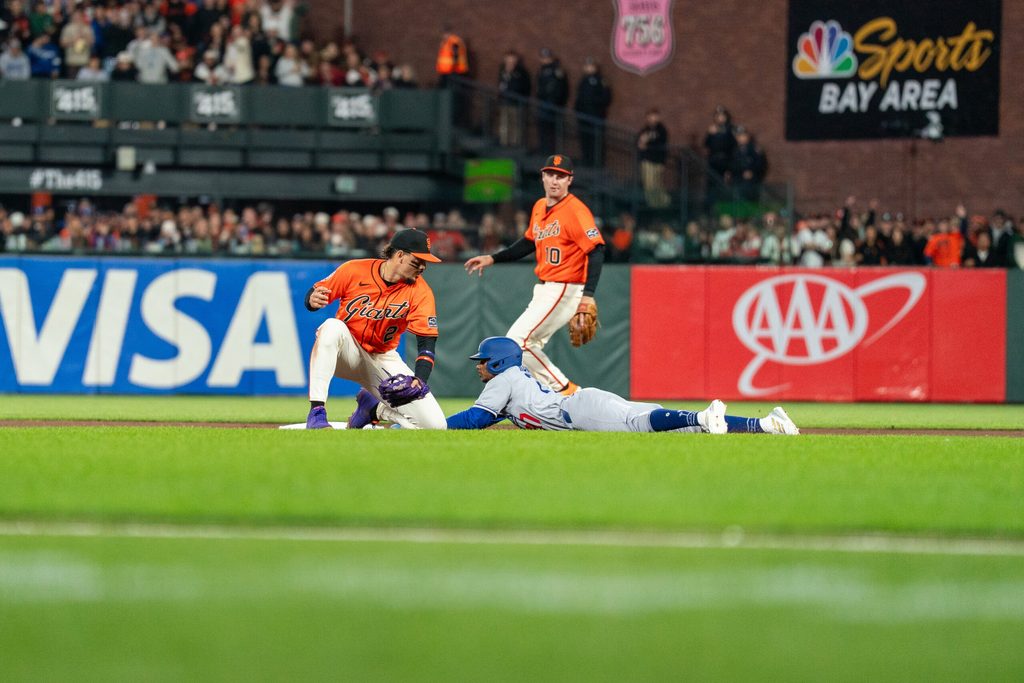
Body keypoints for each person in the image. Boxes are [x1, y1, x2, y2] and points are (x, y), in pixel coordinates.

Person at [441, 337, 799, 435]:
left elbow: (475, 418)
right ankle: (768, 424)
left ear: (499, 362)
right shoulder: (513, 379)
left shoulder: (503, 379)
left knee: (641, 424)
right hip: (584, 404)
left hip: (578, 411)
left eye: (483, 360)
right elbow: (488, 419)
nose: (480, 367)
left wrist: (437, 425)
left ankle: (705, 417)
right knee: (665, 424)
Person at [464, 154, 605, 395]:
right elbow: (528, 242)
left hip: (565, 286)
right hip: (545, 287)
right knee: (531, 345)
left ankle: (567, 391)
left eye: (561, 176)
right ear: (542, 176)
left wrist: (588, 296)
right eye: (550, 174)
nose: (554, 180)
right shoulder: (540, 206)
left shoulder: (576, 211)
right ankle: (547, 400)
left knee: (517, 341)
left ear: (570, 180)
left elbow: (597, 249)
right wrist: (493, 258)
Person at [303, 228, 447, 430]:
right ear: (399, 256)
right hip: (347, 352)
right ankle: (317, 413)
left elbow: (427, 343)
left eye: (425, 262)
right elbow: (317, 290)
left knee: (435, 426)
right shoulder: (354, 270)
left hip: (383, 358)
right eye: (417, 261)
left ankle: (373, 408)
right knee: (332, 327)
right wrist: (311, 299)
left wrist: (420, 379)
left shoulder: (421, 292)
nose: (423, 267)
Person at [574, 56, 610, 166]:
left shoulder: (601, 81)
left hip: (595, 116)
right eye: (587, 66)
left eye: (591, 66)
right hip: (583, 116)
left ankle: (597, 163)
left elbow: (606, 98)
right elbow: (579, 97)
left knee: (596, 141)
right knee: (585, 139)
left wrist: (594, 104)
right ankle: (586, 160)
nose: (589, 68)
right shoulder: (583, 80)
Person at [536, 48, 568, 153]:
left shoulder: (556, 71)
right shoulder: (541, 70)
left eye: (547, 58)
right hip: (542, 102)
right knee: (543, 128)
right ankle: (543, 149)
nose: (545, 60)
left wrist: (557, 101)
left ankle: (551, 151)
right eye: (543, 58)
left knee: (552, 129)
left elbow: (562, 88)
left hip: (553, 104)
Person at [636, 108, 670, 208]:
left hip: (657, 161)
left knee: (657, 184)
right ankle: (652, 204)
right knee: (648, 184)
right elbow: (639, 143)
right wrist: (643, 142)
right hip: (647, 160)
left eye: (654, 116)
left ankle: (662, 203)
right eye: (650, 116)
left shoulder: (661, 130)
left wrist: (647, 143)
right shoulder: (645, 130)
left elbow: (660, 143)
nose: (652, 118)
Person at [497, 49, 530, 147]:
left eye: (512, 60)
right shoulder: (502, 70)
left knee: (515, 123)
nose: (510, 62)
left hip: (516, 102)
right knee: (504, 122)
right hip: (505, 101)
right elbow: (501, 84)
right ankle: (504, 142)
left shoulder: (521, 72)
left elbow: (524, 86)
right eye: (508, 60)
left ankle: (515, 142)